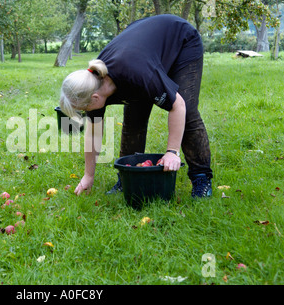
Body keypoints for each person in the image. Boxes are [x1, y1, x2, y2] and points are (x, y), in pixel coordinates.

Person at [59, 14, 213, 198]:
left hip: (181, 41)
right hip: (144, 50)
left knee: (186, 110)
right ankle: (127, 178)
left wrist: (172, 152)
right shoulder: (94, 81)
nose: (85, 114)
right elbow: (94, 132)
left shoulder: (137, 74)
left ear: (94, 98)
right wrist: (88, 175)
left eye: (83, 109)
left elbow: (177, 106)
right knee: (133, 120)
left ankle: (201, 178)